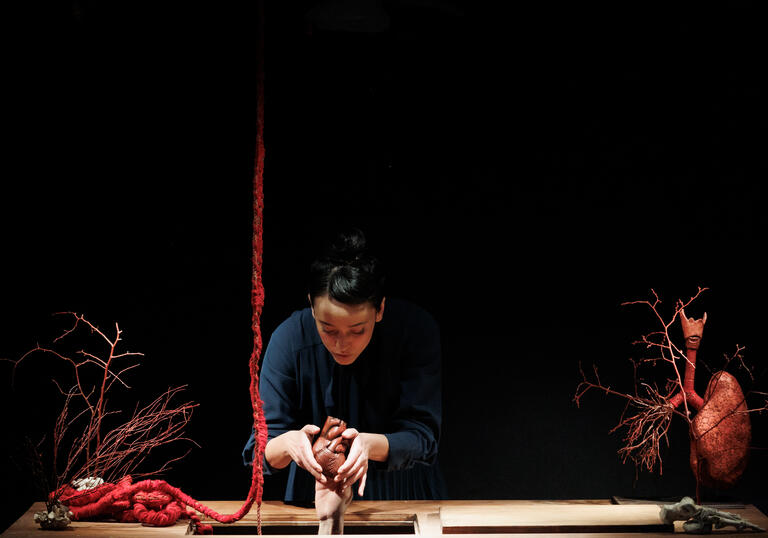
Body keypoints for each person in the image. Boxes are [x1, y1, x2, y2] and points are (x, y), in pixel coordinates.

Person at [242, 228, 446, 507]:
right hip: (313, 497)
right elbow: (260, 451)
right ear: (313, 308)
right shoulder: (289, 339)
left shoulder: (415, 331)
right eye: (328, 329)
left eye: (357, 330)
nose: (342, 344)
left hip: (403, 492)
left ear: (380, 309)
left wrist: (368, 445)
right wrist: (290, 443)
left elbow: (423, 438)